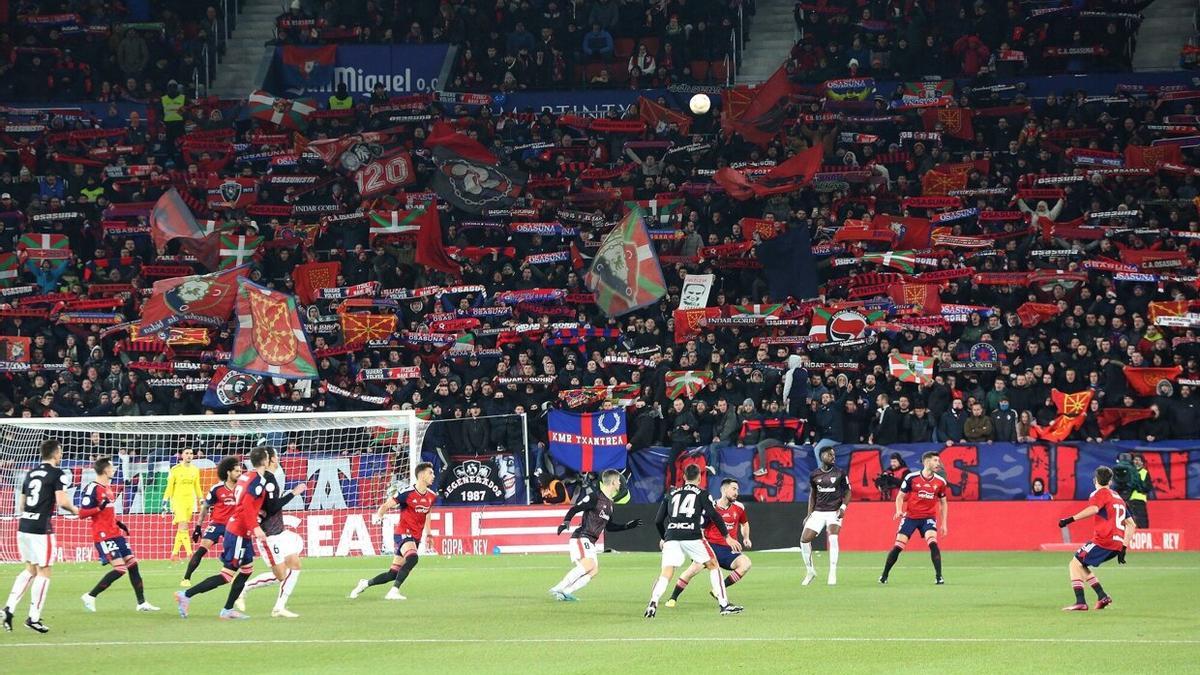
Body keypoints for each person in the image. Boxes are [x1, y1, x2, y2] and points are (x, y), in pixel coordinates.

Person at [175, 445, 274, 620]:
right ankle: (187, 594)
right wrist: (255, 527)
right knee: (227, 575)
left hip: (240, 531)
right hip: (237, 531)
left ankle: (228, 609)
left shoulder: (246, 478)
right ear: (265, 461)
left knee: (247, 569)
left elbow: (245, 503)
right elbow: (245, 507)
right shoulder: (256, 481)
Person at [644, 465, 743, 618]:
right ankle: (724, 605)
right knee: (713, 565)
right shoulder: (702, 493)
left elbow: (658, 520)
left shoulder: (670, 493)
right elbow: (714, 515)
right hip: (693, 535)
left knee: (667, 572)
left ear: (684, 477)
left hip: (671, 535)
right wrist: (727, 536)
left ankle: (653, 602)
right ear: (699, 478)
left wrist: (664, 538)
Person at [4, 440, 79, 633]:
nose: (61, 455)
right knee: (45, 571)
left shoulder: (30, 473)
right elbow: (62, 501)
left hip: (24, 526)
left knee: (30, 569)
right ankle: (33, 618)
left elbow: (20, 505)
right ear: (55, 454)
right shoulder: (57, 474)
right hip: (40, 528)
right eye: (60, 452)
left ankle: (9, 608)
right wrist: (75, 510)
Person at [79, 457, 159, 613]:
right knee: (120, 569)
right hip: (103, 536)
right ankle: (90, 596)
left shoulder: (108, 488)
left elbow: (107, 512)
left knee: (133, 565)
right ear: (105, 470)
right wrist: (98, 509)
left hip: (115, 533)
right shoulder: (92, 488)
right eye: (112, 467)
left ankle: (141, 603)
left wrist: (119, 523)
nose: (114, 469)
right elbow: (82, 513)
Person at [548, 470, 641, 601]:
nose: (620, 484)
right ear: (613, 482)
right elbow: (576, 508)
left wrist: (626, 526)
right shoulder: (595, 497)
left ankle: (565, 592)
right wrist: (566, 522)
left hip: (590, 541)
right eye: (619, 481)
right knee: (589, 565)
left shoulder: (610, 505)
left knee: (594, 570)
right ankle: (559, 587)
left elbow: (609, 526)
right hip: (581, 537)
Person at [350, 462, 437, 600]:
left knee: (393, 573)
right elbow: (386, 505)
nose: (433, 475)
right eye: (430, 473)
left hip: (416, 536)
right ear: (421, 475)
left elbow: (427, 513)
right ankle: (394, 591)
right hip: (403, 532)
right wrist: (379, 516)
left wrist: (429, 533)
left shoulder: (432, 496)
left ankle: (365, 583)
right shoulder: (406, 493)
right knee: (413, 558)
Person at [1057, 466, 1137, 611]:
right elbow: (1131, 524)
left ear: (1095, 480)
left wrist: (1069, 520)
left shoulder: (1099, 493)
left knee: (1074, 563)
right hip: (1116, 543)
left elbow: (1093, 509)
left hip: (1104, 540)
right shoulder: (1118, 497)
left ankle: (1080, 602)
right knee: (1082, 564)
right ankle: (1102, 596)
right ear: (1110, 481)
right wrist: (1124, 547)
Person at [236, 456, 308, 617]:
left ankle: (279, 607)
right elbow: (272, 507)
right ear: (268, 461)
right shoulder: (267, 480)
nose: (277, 459)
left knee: (294, 565)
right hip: (268, 536)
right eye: (273, 456)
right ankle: (244, 588)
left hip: (280, 532)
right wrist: (293, 493)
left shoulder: (267, 478)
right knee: (281, 576)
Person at [665, 478, 751, 606]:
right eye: (733, 489)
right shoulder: (711, 507)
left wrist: (746, 538)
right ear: (724, 489)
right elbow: (701, 528)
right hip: (711, 547)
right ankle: (673, 598)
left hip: (728, 550)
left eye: (737, 490)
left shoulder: (739, 507)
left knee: (745, 564)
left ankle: (717, 591)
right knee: (692, 571)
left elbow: (745, 523)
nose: (736, 492)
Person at [879, 451, 948, 585]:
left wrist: (944, 523)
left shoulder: (940, 482)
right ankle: (884, 575)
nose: (937, 463)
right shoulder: (912, 477)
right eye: (935, 460)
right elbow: (899, 496)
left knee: (933, 543)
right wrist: (899, 510)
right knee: (898, 546)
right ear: (926, 462)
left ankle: (939, 577)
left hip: (928, 517)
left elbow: (943, 502)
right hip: (910, 517)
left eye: (938, 461)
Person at [182, 456, 242, 587]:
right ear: (228, 472)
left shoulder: (242, 488)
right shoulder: (217, 489)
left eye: (240, 471)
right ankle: (186, 578)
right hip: (217, 523)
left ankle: (229, 575)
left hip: (233, 527)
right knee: (202, 549)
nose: (239, 473)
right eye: (237, 471)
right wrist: (198, 527)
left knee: (235, 553)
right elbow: (205, 507)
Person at [800, 446, 851, 586]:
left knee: (833, 537)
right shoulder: (814, 474)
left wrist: (843, 507)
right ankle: (810, 571)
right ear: (822, 456)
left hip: (834, 512)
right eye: (830, 455)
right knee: (804, 540)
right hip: (818, 512)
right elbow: (813, 495)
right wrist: (809, 514)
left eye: (834, 455)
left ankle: (832, 572)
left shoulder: (840, 473)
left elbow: (848, 492)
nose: (833, 457)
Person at [163, 448, 204, 563]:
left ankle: (174, 554)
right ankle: (190, 553)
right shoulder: (175, 469)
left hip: (189, 502)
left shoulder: (195, 470)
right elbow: (169, 487)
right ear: (182, 455)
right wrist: (165, 501)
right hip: (177, 501)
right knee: (184, 526)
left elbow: (197, 486)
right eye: (187, 453)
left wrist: (201, 499)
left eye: (191, 453)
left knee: (182, 528)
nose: (189, 455)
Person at [1127, 454, 1152, 527]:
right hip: (1129, 500)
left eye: (1138, 460)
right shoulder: (1130, 472)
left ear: (1142, 462)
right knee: (1130, 520)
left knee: (1142, 519)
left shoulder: (1145, 472)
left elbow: (1148, 487)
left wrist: (1139, 487)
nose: (1136, 461)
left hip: (1140, 500)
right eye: (1135, 460)